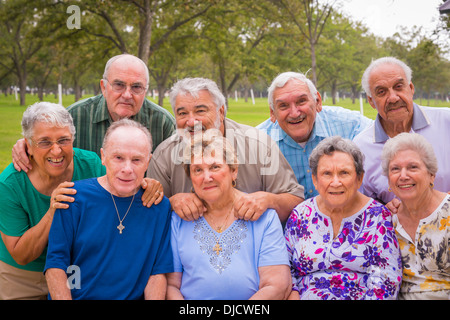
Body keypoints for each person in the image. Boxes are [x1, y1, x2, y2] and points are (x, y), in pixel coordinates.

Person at [44, 119, 173, 300]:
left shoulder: (158, 206)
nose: (127, 169)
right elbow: (56, 265)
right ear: (103, 157)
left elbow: (157, 272)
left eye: (136, 160)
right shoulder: (73, 197)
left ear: (148, 161)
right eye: (118, 158)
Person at [148, 77, 304, 223]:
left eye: (200, 111)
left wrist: (270, 200)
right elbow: (151, 214)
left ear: (221, 112)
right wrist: (171, 202)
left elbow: (296, 202)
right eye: (182, 113)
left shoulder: (259, 145)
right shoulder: (163, 156)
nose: (191, 121)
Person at [0, 102, 105, 300]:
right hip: (24, 275)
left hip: (75, 268)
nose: (56, 151)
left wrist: (147, 185)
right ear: (28, 146)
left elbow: (123, 190)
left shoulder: (92, 165)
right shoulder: (9, 184)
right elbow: (21, 255)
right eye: (45, 142)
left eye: (63, 140)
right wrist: (52, 211)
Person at [167, 132, 291, 299]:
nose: (207, 177)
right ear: (191, 178)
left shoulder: (264, 217)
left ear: (234, 171)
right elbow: (171, 285)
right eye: (197, 170)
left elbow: (276, 285)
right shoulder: (178, 220)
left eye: (215, 167)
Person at [12, 53, 176, 172]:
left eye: (136, 87)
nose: (127, 94)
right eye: (118, 85)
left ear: (145, 90)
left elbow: (176, 172)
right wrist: (27, 145)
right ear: (104, 87)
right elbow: (47, 147)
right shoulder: (75, 116)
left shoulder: (162, 123)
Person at [285, 136, 402, 300]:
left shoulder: (377, 215)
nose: (335, 182)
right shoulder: (301, 214)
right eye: (326, 173)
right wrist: (292, 294)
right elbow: (284, 267)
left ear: (359, 178)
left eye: (344, 173)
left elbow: (385, 279)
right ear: (315, 180)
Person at [257, 71, 373, 199]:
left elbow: (387, 143)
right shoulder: (257, 142)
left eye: (301, 101)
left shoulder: (352, 124)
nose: (295, 113)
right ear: (272, 112)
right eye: (283, 106)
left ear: (317, 101)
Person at [354, 56, 450, 205]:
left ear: (411, 88)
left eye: (399, 87)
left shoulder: (446, 121)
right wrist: (384, 210)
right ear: (371, 101)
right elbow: (364, 205)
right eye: (381, 92)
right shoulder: (361, 148)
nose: (393, 98)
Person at [381, 132, 450, 299]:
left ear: (431, 175)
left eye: (413, 167)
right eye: (395, 169)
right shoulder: (387, 221)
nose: (403, 176)